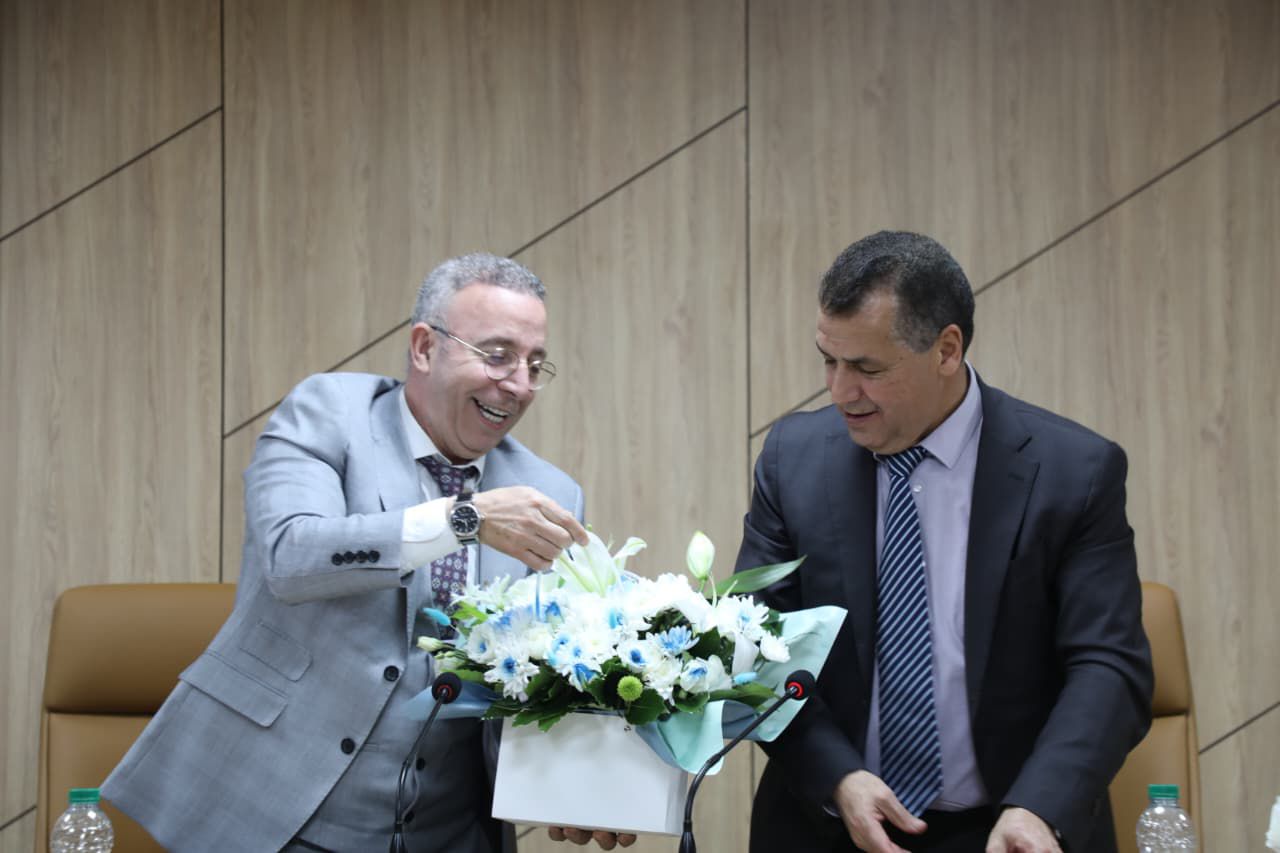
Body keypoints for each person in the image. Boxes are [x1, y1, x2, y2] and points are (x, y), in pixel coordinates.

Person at [103, 253, 621, 852]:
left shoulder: (551, 493)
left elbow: (551, 666)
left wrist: (577, 785)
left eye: (534, 364)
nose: (521, 386)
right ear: (424, 347)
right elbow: (291, 556)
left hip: (452, 831)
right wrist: (465, 519)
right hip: (280, 811)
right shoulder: (330, 414)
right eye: (498, 355)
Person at [735, 231, 1153, 853]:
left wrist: (1040, 806)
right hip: (828, 821)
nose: (841, 391)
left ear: (946, 350)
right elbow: (755, 643)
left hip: (1009, 826)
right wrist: (838, 776)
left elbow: (1108, 664)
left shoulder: (1074, 472)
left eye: (868, 369)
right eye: (829, 361)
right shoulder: (792, 460)